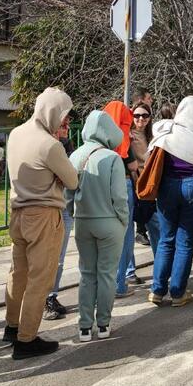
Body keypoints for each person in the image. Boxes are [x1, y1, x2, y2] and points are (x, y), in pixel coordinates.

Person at [4, 87, 80, 360]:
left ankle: (12, 327)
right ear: (53, 112)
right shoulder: (50, 145)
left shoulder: (16, 134)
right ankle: (26, 339)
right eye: (65, 115)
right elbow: (73, 180)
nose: (66, 121)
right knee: (40, 279)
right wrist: (57, 175)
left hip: (18, 212)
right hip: (44, 216)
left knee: (18, 274)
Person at [67, 110, 129, 342]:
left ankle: (84, 327)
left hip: (83, 222)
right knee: (106, 275)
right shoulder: (112, 158)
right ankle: (103, 324)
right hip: (109, 221)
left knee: (86, 274)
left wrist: (73, 214)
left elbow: (67, 194)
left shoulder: (75, 155)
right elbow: (119, 197)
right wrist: (123, 221)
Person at [149, 96, 193, 307]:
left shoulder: (167, 131)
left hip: (168, 185)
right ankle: (178, 292)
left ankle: (157, 290)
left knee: (166, 239)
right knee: (185, 241)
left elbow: (152, 149)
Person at [104, 101, 141, 297]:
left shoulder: (100, 135)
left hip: (102, 187)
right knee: (125, 235)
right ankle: (120, 284)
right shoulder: (123, 136)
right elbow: (133, 165)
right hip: (123, 185)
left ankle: (106, 284)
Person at [43, 126, 76, 321]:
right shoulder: (44, 145)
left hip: (64, 205)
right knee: (46, 256)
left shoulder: (66, 145)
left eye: (68, 124)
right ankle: (42, 299)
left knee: (59, 257)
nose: (67, 128)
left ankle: (51, 296)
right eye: (63, 124)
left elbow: (71, 177)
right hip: (47, 207)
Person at [131, 102, 160, 251]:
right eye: (137, 115)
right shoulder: (128, 135)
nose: (141, 118)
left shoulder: (153, 136)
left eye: (145, 115)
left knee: (156, 227)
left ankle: (161, 262)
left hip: (149, 185)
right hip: (135, 184)